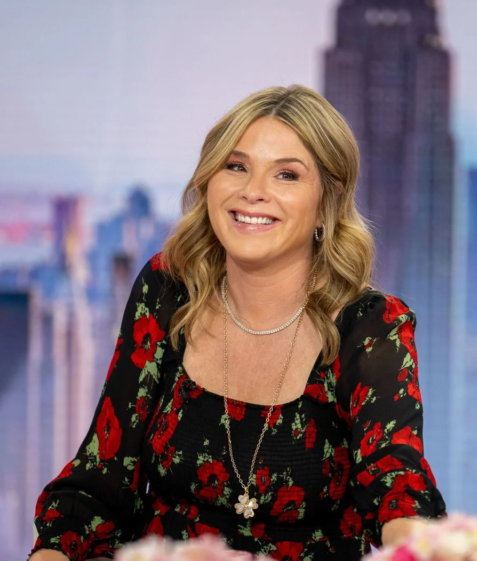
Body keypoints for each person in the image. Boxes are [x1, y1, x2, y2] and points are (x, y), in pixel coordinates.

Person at [28, 85, 445, 561]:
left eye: (286, 174)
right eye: (236, 166)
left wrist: (418, 549)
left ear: (327, 203)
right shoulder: (167, 292)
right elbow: (101, 475)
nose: (253, 191)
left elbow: (396, 483)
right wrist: (51, 553)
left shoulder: (371, 327)